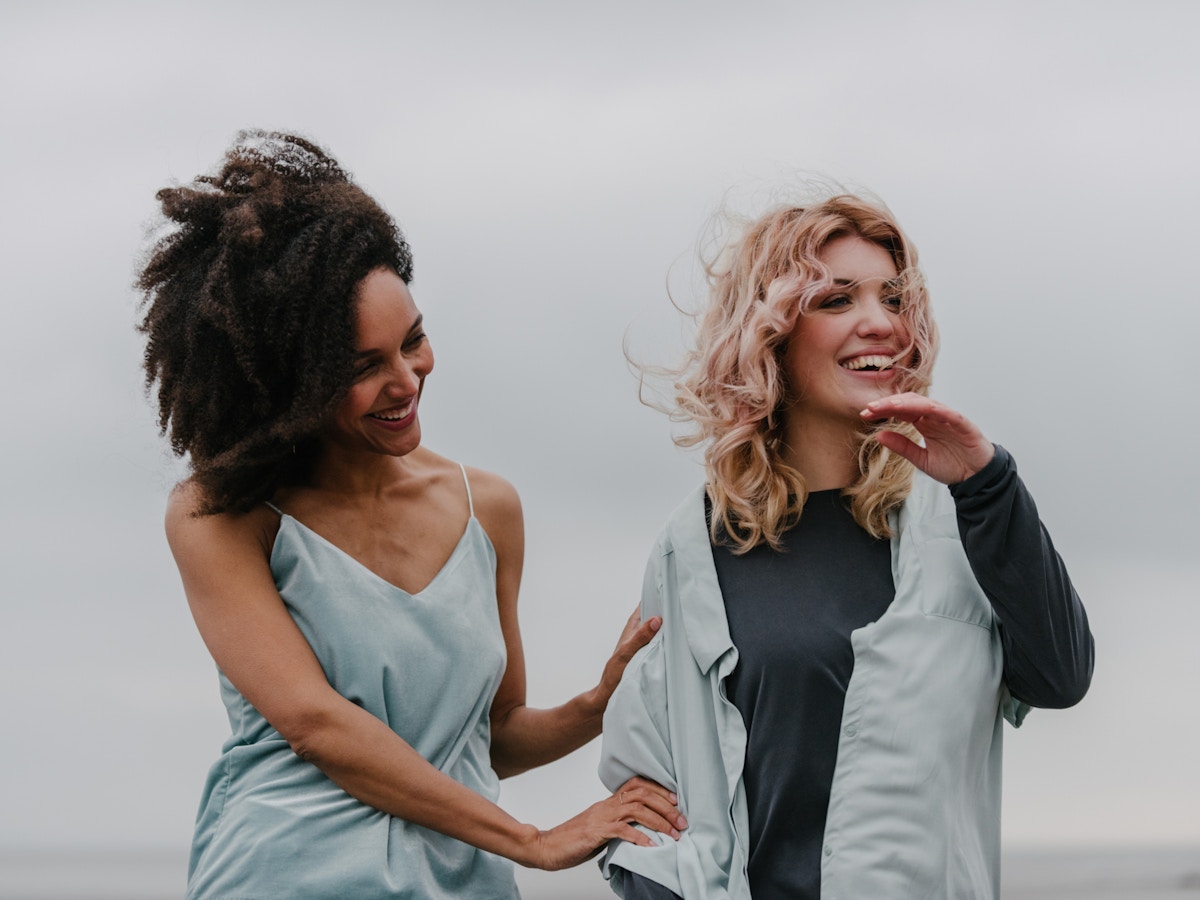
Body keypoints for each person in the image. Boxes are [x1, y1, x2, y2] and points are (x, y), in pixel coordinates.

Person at [136, 130, 686, 900]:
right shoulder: (219, 516)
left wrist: (596, 706)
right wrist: (532, 839)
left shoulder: (487, 509)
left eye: (414, 341)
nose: (407, 379)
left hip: (462, 882)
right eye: (363, 368)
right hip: (285, 877)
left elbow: (488, 737)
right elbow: (313, 723)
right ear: (291, 384)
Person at [596, 195, 1094, 899]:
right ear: (770, 335)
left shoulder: (962, 521)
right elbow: (647, 790)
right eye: (836, 299)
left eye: (893, 297)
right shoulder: (695, 548)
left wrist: (989, 484)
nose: (882, 322)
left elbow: (1062, 677)